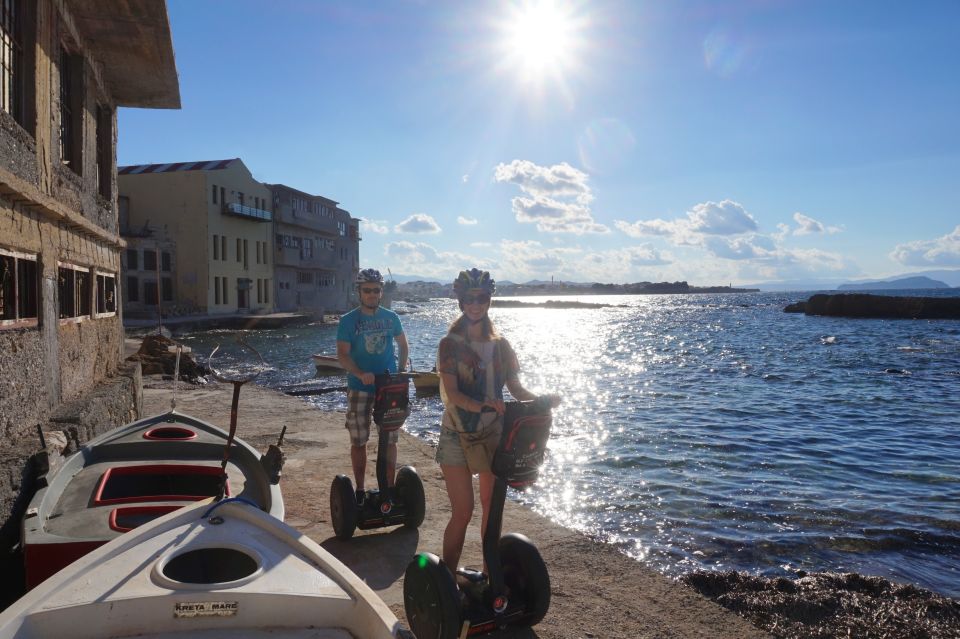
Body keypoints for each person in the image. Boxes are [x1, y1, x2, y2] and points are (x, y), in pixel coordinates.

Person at [435, 267, 560, 575]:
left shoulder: (502, 345)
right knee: (463, 512)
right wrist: (482, 405)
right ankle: (446, 582)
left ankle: (492, 576)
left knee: (492, 510)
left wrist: (540, 401)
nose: (475, 304)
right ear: (461, 302)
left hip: (492, 435)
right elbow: (452, 394)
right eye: (469, 299)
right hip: (456, 434)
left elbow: (515, 388)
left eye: (481, 298)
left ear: (488, 300)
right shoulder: (449, 344)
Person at [336, 268, 409, 504]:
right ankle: (358, 490)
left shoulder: (391, 317)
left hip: (387, 387)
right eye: (367, 290)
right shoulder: (348, 321)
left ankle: (389, 489)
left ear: (381, 292)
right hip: (360, 387)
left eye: (376, 290)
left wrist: (400, 371)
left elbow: (403, 344)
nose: (372, 294)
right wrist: (360, 372)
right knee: (359, 440)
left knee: (390, 440)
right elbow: (343, 355)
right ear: (359, 292)